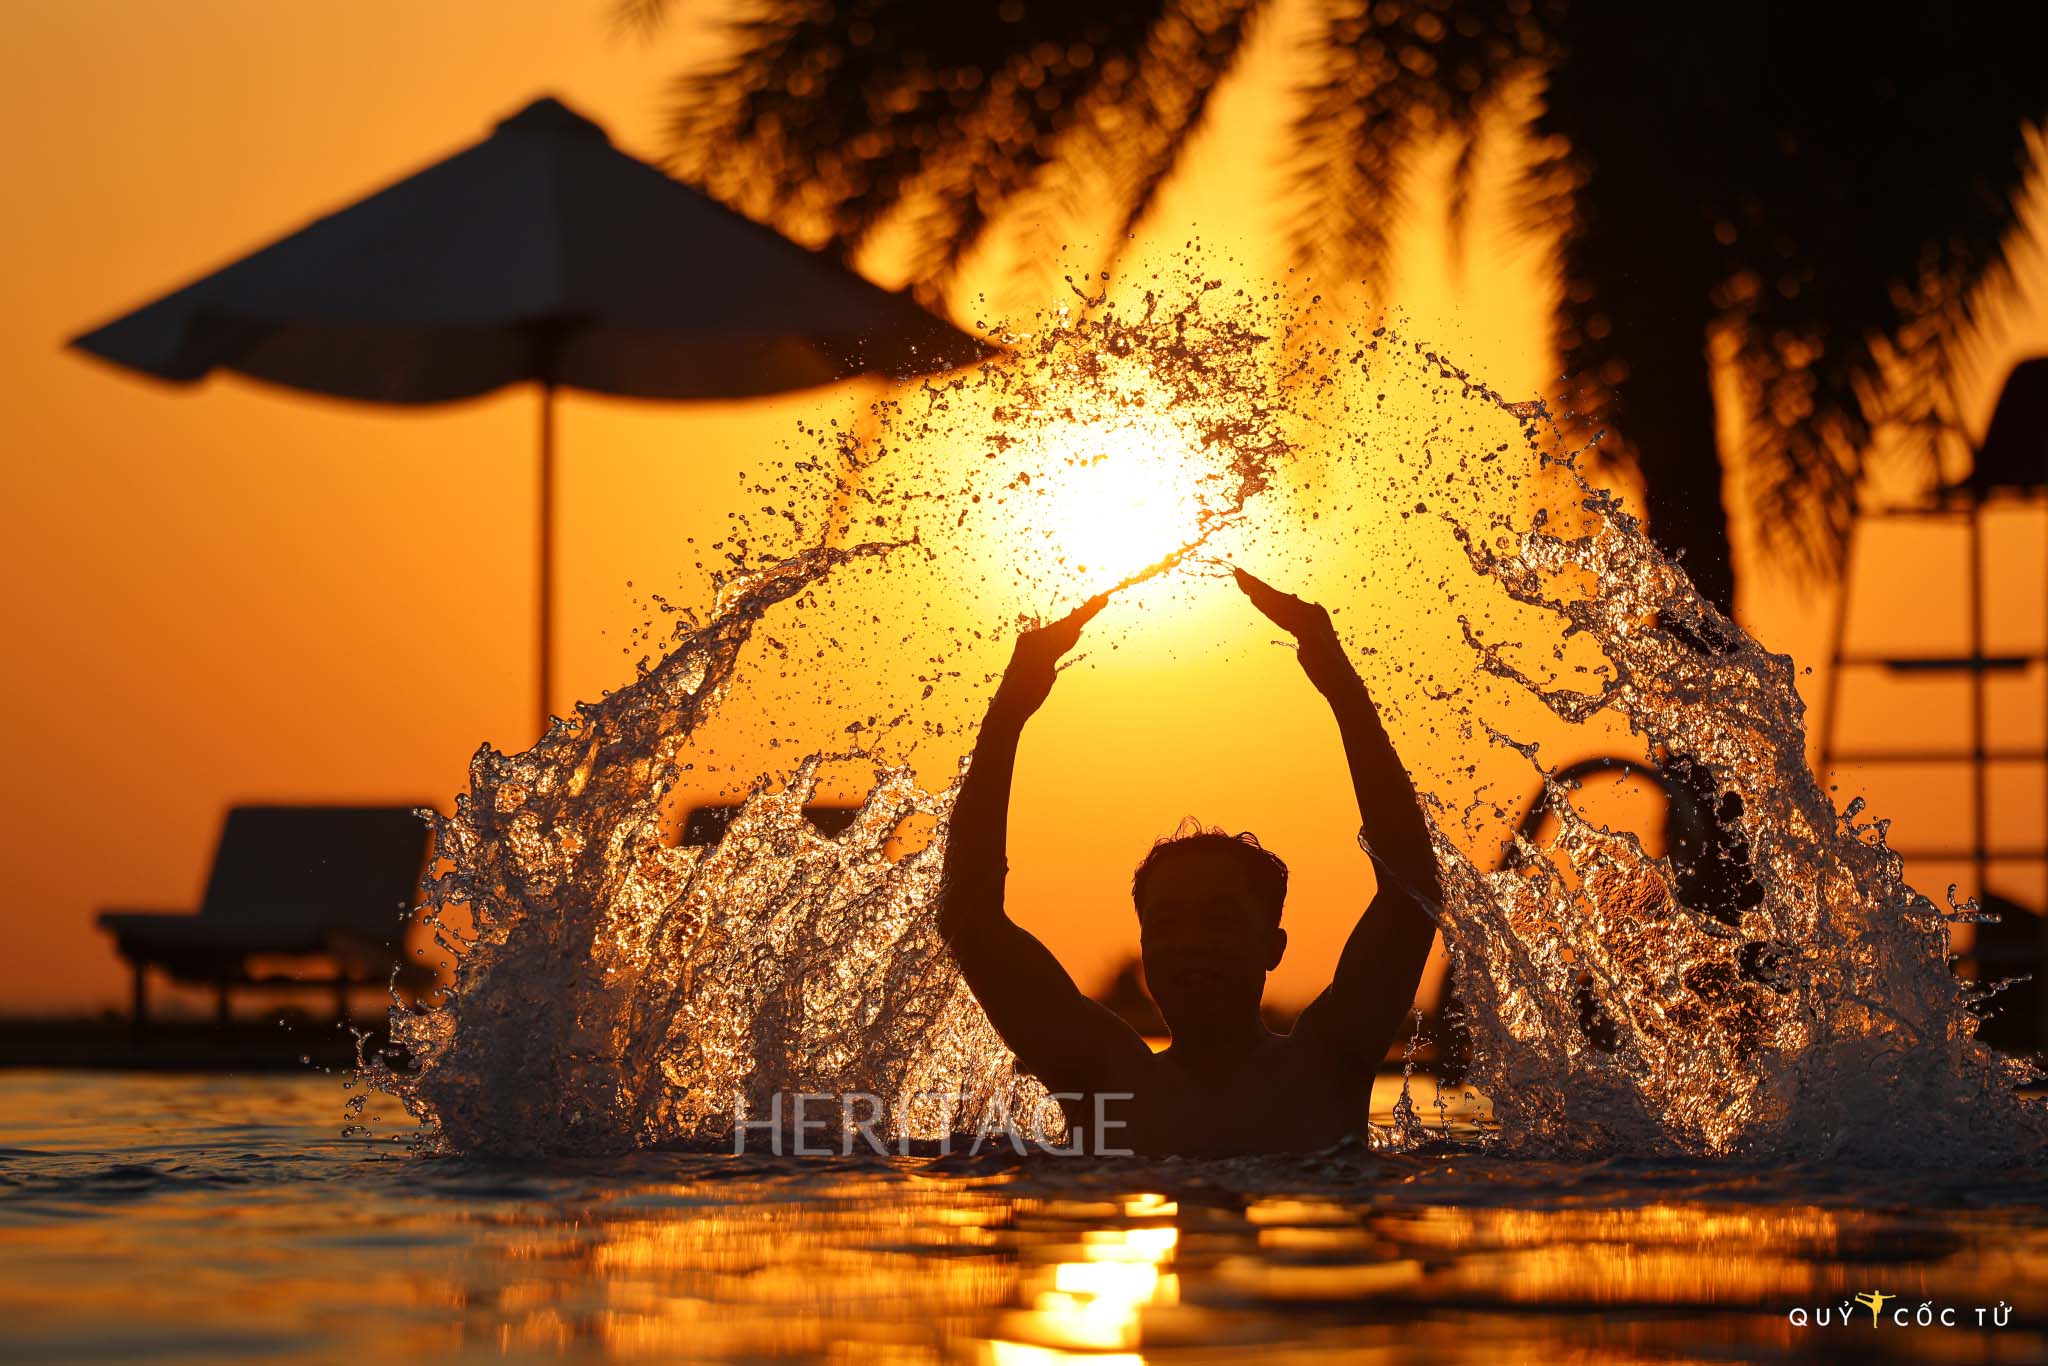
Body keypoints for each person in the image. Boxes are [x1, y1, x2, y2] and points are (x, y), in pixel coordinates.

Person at [939, 568, 1443, 1155]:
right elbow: (970, 923)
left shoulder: (1326, 1062)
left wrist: (1339, 683)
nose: (1191, 943)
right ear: (1145, 946)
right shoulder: (1103, 1078)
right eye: (1167, 924)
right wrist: (1007, 714)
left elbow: (1410, 894)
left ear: (1273, 947)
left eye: (1220, 920)